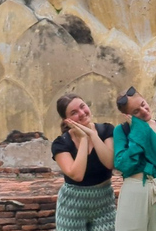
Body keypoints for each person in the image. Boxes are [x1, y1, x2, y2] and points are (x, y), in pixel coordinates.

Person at [113, 87, 156, 231]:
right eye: (136, 111)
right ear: (127, 115)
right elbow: (123, 165)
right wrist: (138, 131)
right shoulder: (121, 131)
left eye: (142, 104)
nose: (143, 110)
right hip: (133, 189)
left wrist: (143, 129)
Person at [52, 94, 116, 231]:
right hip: (72, 206)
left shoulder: (106, 131)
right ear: (66, 120)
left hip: (104, 204)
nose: (82, 113)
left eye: (82, 106)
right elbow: (77, 175)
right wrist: (83, 139)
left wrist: (92, 134)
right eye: (74, 112)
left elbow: (109, 163)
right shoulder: (61, 143)